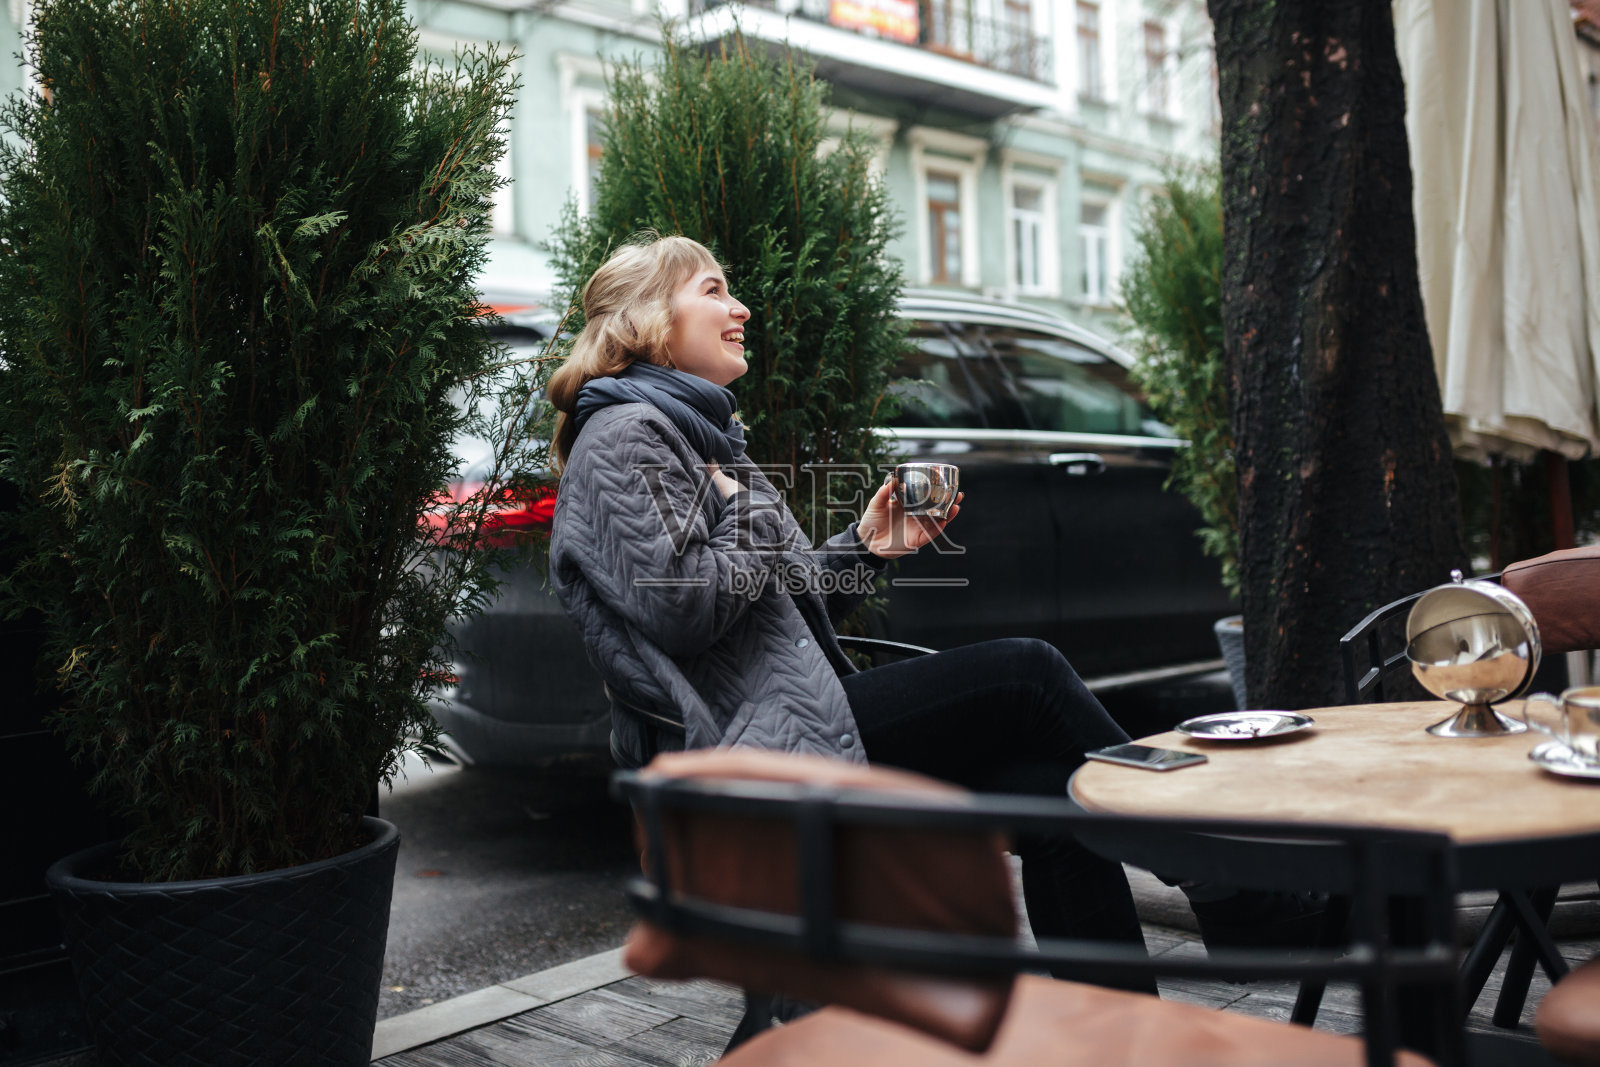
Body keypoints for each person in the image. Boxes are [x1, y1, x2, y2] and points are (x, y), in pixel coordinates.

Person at [546, 232, 1159, 997]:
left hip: (791, 715)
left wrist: (867, 544)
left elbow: (773, 603)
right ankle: (1200, 851)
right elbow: (684, 608)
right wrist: (752, 514)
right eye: (712, 289)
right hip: (747, 749)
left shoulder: (692, 433)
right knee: (1026, 670)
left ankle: (1115, 1034)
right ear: (646, 320)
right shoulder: (624, 439)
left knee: (1060, 800)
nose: (739, 307)